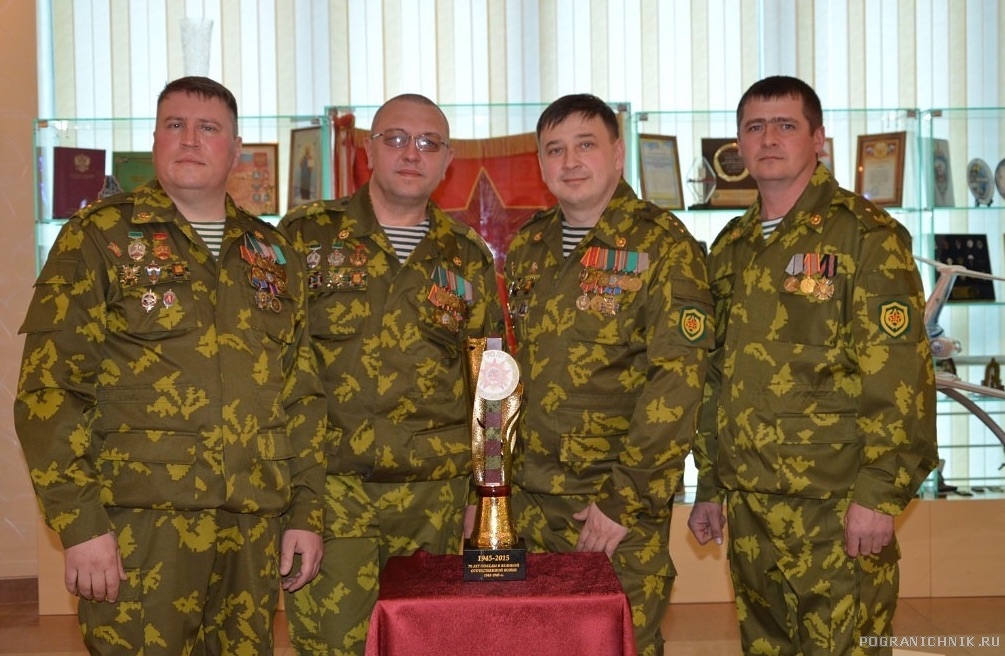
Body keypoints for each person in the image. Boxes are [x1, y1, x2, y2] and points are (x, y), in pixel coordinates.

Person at [14, 76, 327, 655]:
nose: (190, 139)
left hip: (252, 524)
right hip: (139, 528)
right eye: (174, 125)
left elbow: (300, 393)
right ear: (154, 140)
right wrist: (80, 524)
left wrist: (306, 511)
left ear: (235, 151)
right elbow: (49, 393)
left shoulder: (273, 253)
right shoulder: (100, 236)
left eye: (209, 128)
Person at [688, 76, 939, 655]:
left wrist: (879, 495)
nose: (768, 138)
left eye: (786, 125)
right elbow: (717, 376)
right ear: (738, 144)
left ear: (818, 140)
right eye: (755, 127)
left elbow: (900, 378)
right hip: (751, 504)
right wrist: (711, 482)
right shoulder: (731, 246)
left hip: (835, 507)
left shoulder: (867, 237)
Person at [279, 93, 503, 655]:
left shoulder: (466, 257)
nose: (412, 153)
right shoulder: (307, 237)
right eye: (396, 138)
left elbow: (491, 385)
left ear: (447, 159)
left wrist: (488, 489)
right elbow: (273, 364)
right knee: (335, 646)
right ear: (369, 151)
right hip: (331, 491)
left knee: (429, 644)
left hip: (435, 498)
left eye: (429, 143)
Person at [504, 93, 713, 656]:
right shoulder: (528, 248)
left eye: (585, 145)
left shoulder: (664, 246)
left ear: (617, 155)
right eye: (555, 149)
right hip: (531, 502)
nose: (570, 161)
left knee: (616, 645)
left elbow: (678, 383)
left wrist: (624, 500)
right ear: (542, 164)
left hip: (612, 507)